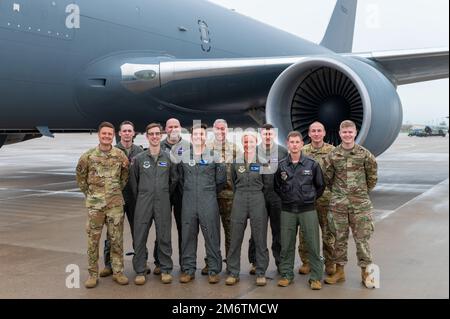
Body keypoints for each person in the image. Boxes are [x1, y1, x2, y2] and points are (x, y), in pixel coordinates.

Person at [323, 120, 378, 288]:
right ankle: (339, 271)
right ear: (340, 134)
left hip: (360, 206)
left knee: (362, 240)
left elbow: (372, 178)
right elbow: (327, 179)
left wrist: (359, 193)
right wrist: (340, 194)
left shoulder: (365, 154)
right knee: (339, 239)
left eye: (350, 132)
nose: (347, 135)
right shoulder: (332, 156)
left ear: (355, 133)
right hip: (338, 205)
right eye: (344, 132)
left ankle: (366, 272)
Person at [76, 121, 130, 288]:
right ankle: (93, 274)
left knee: (117, 239)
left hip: (115, 205)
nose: (107, 136)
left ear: (113, 136)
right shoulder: (88, 156)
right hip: (95, 207)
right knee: (93, 240)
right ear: (99, 135)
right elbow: (81, 179)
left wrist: (114, 192)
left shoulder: (120, 155)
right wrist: (92, 195)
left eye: (109, 134)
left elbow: (124, 176)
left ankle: (118, 272)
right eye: (104, 133)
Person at [274, 131, 325, 290]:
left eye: (297, 142)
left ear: (302, 144)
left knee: (313, 245)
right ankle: (287, 275)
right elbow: (277, 187)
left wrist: (309, 199)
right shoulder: (281, 165)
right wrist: (287, 198)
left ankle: (316, 277)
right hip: (288, 210)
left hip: (307, 210)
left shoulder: (312, 164)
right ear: (287, 144)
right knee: (287, 245)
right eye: (292, 142)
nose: (294, 145)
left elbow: (320, 186)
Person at [130, 123, 178, 285]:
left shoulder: (168, 158)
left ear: (161, 135)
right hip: (143, 201)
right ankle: (140, 270)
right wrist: (144, 195)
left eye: (158, 134)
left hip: (163, 201)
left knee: (164, 235)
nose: (155, 136)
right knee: (140, 235)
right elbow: (133, 183)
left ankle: (165, 269)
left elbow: (174, 180)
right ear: (147, 136)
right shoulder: (139, 159)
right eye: (152, 134)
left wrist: (163, 193)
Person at [178, 124, 227, 284]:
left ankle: (213, 270)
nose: (199, 137)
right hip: (189, 200)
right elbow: (179, 179)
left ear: (206, 137)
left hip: (208, 200)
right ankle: (188, 269)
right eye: (196, 134)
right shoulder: (184, 157)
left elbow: (221, 180)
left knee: (212, 235)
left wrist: (209, 191)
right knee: (188, 236)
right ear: (191, 138)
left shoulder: (215, 156)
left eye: (202, 134)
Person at [100, 121, 143, 278]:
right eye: (124, 131)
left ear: (133, 133)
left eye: (129, 131)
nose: (126, 133)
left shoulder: (140, 152)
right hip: (116, 197)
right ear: (119, 133)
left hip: (135, 198)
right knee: (112, 232)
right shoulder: (113, 151)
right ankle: (108, 264)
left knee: (138, 232)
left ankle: (141, 264)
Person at [225, 132, 269, 286]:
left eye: (251, 142)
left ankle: (261, 272)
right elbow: (232, 181)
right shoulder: (236, 162)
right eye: (245, 142)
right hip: (240, 198)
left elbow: (267, 184)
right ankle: (233, 272)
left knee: (260, 237)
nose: (248, 145)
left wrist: (258, 197)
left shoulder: (263, 161)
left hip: (257, 198)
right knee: (235, 237)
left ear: (255, 143)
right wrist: (240, 196)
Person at [297, 122, 336, 276]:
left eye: (319, 131)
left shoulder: (332, 151)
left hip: (326, 199)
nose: (316, 133)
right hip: (307, 200)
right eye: (313, 131)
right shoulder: (302, 151)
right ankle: (306, 262)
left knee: (328, 233)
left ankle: (330, 263)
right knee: (305, 233)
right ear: (309, 133)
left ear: (324, 133)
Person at [203, 119, 241, 275]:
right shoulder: (206, 149)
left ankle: (231, 264)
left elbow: (240, 172)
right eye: (217, 129)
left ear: (227, 130)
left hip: (230, 196)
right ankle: (211, 262)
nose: (221, 131)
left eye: (223, 128)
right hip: (210, 196)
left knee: (230, 232)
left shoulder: (235, 149)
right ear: (213, 130)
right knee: (211, 232)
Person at [248, 124, 287, 275]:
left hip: (277, 198)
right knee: (257, 230)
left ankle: (281, 262)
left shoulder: (283, 151)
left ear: (274, 135)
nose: (268, 136)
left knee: (279, 231)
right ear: (261, 135)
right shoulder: (254, 151)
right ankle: (255, 261)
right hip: (259, 196)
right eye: (265, 134)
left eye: (270, 134)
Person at [153, 118, 189, 275]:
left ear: (180, 128)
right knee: (162, 228)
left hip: (182, 194)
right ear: (165, 129)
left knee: (184, 229)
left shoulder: (189, 147)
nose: (173, 129)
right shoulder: (158, 146)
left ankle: (185, 262)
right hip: (164, 193)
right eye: (170, 127)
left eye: (176, 126)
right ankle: (160, 262)